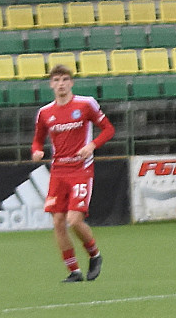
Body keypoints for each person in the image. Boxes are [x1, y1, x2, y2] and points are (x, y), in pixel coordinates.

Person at [31, 64, 114, 282]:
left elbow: (108, 129)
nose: (61, 84)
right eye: (56, 80)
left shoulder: (85, 104)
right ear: (51, 84)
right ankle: (74, 271)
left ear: (71, 83)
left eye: (65, 79)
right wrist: (37, 151)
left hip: (80, 170)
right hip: (58, 172)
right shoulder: (45, 113)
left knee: (74, 220)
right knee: (58, 222)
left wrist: (92, 145)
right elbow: (37, 140)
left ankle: (94, 255)